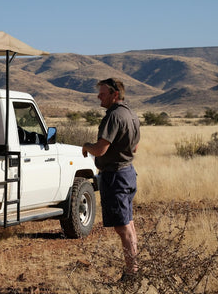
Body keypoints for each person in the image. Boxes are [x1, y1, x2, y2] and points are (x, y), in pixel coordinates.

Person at [81, 78, 140, 282]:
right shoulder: (131, 114)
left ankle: (132, 274)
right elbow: (135, 148)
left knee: (123, 228)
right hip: (128, 173)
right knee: (128, 224)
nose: (99, 96)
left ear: (115, 95)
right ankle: (134, 270)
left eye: (103, 93)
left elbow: (100, 149)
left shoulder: (114, 116)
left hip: (115, 176)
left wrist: (86, 146)